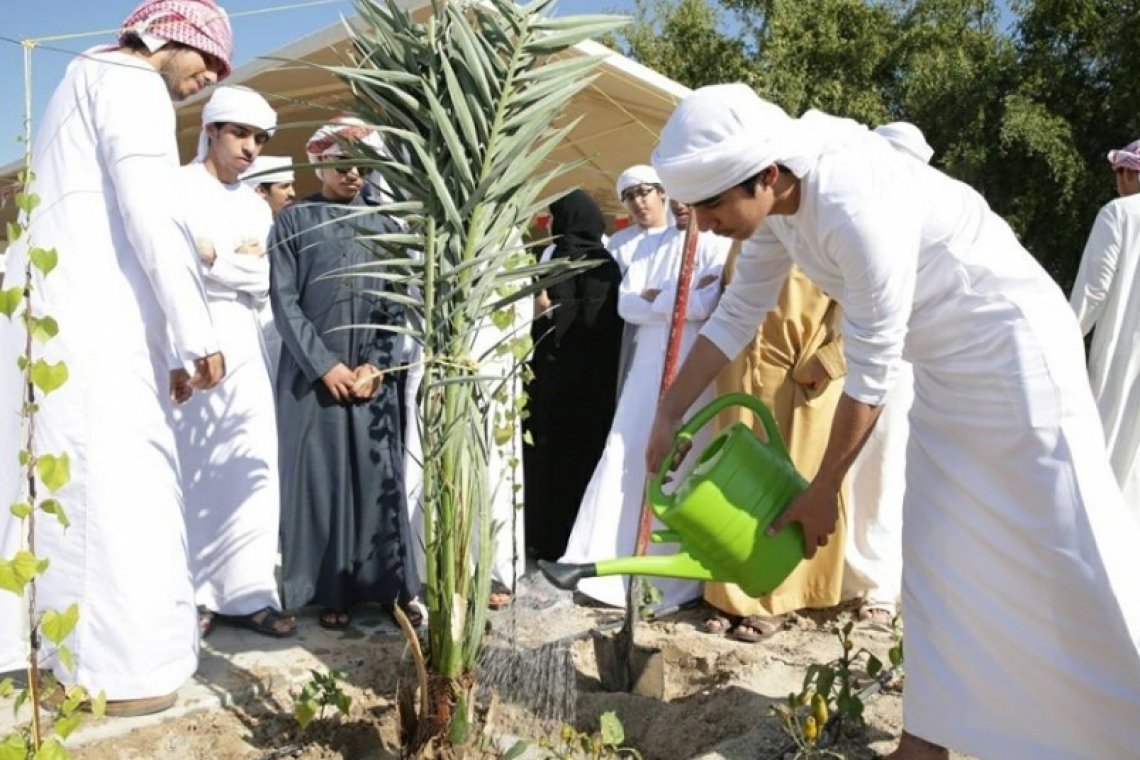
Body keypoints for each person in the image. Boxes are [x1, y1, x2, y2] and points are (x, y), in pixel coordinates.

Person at [646, 84, 1140, 759]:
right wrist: (669, 409)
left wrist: (822, 493)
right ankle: (926, 742)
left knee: (1072, 544)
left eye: (710, 206)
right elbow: (737, 313)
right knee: (939, 557)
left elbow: (872, 371)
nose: (701, 223)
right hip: (943, 371)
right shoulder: (780, 207)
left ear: (764, 176)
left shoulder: (853, 200)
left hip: (1014, 353)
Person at [0, 0, 232, 717]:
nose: (207, 80)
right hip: (96, 321)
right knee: (116, 488)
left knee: (45, 481)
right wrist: (197, 334)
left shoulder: (80, 75)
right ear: (168, 38)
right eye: (206, 60)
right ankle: (118, 672)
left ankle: (32, 653)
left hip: (56, 313)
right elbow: (150, 219)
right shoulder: (131, 85)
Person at [270, 120, 420, 630]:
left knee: (379, 476)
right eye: (342, 164)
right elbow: (285, 302)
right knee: (321, 480)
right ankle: (327, 591)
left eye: (363, 165)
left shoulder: (387, 225)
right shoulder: (295, 219)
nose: (354, 174)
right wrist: (323, 364)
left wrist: (378, 361)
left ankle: (386, 587)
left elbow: (393, 306)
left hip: (372, 374)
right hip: (314, 376)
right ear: (319, 163)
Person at [559, 197, 728, 609]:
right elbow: (626, 303)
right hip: (649, 364)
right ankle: (600, 563)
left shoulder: (720, 245)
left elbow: (708, 302)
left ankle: (669, 578)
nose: (685, 206)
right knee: (626, 453)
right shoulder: (652, 245)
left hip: (695, 365)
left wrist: (659, 297)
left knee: (683, 462)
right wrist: (677, 297)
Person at [173, 86, 294, 639]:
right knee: (192, 464)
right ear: (212, 131)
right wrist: (231, 260)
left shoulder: (252, 204)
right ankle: (189, 594)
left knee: (250, 461)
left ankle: (248, 592)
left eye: (259, 139)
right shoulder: (173, 188)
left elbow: (264, 276)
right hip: (186, 340)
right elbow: (171, 266)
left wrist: (215, 256)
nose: (250, 148)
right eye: (240, 134)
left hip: (245, 341)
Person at [702, 257, 848, 641]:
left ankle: (779, 598)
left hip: (800, 377)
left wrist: (829, 361)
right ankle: (730, 594)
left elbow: (870, 308)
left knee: (790, 486)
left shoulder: (830, 231)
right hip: (742, 370)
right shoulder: (752, 232)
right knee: (735, 484)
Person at [838, 122, 931, 625]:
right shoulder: (860, 218)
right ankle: (851, 578)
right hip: (854, 358)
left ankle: (878, 586)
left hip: (903, 363)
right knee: (857, 468)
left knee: (888, 469)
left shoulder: (925, 218)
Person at [523, 190, 623, 562]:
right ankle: (544, 538)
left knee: (574, 458)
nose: (549, 226)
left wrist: (548, 309)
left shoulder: (599, 265)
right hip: (558, 379)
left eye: (554, 218)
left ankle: (568, 542)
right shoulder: (561, 259)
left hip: (581, 383)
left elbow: (592, 321)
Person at [1070, 139, 1140, 510]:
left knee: (1106, 467)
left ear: (1128, 173)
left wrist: (1059, 343)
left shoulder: (1119, 214)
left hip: (1122, 363)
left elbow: (1092, 294)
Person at [241, 154, 295, 371]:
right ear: (260, 191)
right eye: (284, 187)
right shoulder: (247, 227)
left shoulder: (276, 226)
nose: (292, 193)